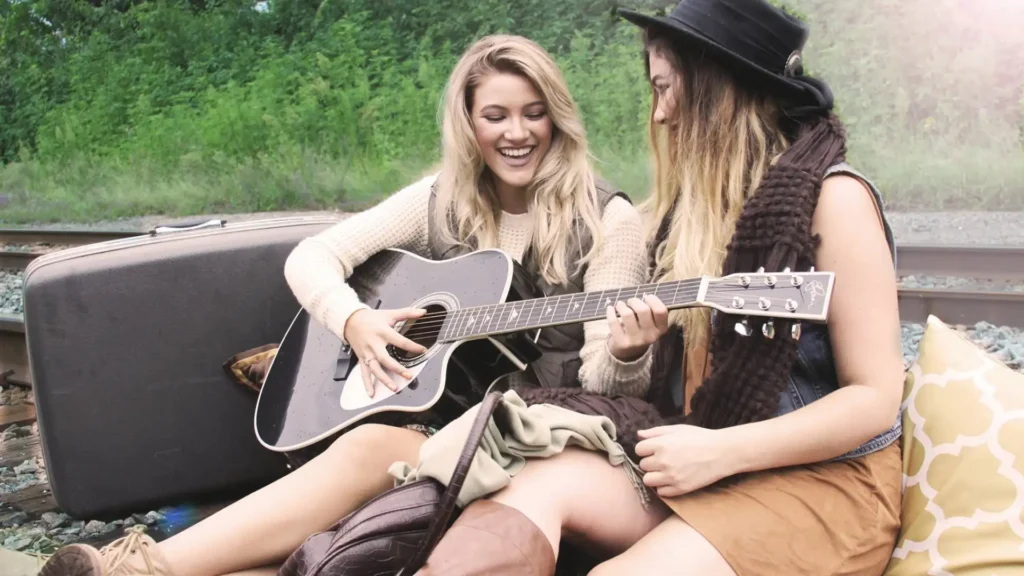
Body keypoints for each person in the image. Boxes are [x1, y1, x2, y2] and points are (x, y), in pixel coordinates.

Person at [38, 34, 665, 576]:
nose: (517, 133)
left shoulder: (605, 220)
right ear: (468, 125)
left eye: (534, 114)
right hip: (456, 423)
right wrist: (355, 319)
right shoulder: (441, 199)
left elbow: (603, 390)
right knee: (363, 451)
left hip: (547, 436)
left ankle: (142, 566)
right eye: (495, 115)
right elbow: (312, 257)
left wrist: (627, 353)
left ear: (557, 118)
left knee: (366, 451)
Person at [413, 1, 906, 575]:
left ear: (717, 90)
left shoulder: (834, 200)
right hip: (704, 456)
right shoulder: (687, 214)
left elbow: (875, 398)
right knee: (520, 489)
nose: (661, 113)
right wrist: (628, 351)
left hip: (822, 482)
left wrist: (724, 451)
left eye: (666, 88)